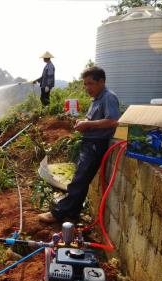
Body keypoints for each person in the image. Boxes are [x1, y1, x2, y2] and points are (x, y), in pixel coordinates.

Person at [38, 66, 120, 223]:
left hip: (96, 145)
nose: (87, 88)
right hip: (89, 143)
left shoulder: (108, 97)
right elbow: (98, 119)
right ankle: (73, 213)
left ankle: (58, 213)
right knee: (80, 179)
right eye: (85, 84)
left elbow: (112, 121)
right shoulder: (97, 98)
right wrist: (83, 122)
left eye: (90, 83)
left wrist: (88, 125)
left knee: (79, 180)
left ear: (101, 81)